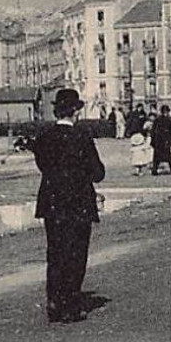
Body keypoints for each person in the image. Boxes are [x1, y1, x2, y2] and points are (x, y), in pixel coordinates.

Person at [32, 88, 106, 323]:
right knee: (76, 254)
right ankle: (71, 306)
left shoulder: (44, 136)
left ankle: (54, 302)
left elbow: (43, 166)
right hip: (78, 203)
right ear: (74, 111)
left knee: (55, 252)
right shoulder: (82, 137)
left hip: (52, 203)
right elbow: (98, 173)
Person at [150, 104, 171, 174]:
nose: (168, 113)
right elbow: (168, 131)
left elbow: (153, 130)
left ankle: (155, 169)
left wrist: (153, 140)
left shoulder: (158, 119)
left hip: (159, 141)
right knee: (168, 155)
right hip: (163, 141)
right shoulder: (165, 120)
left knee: (160, 156)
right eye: (167, 112)